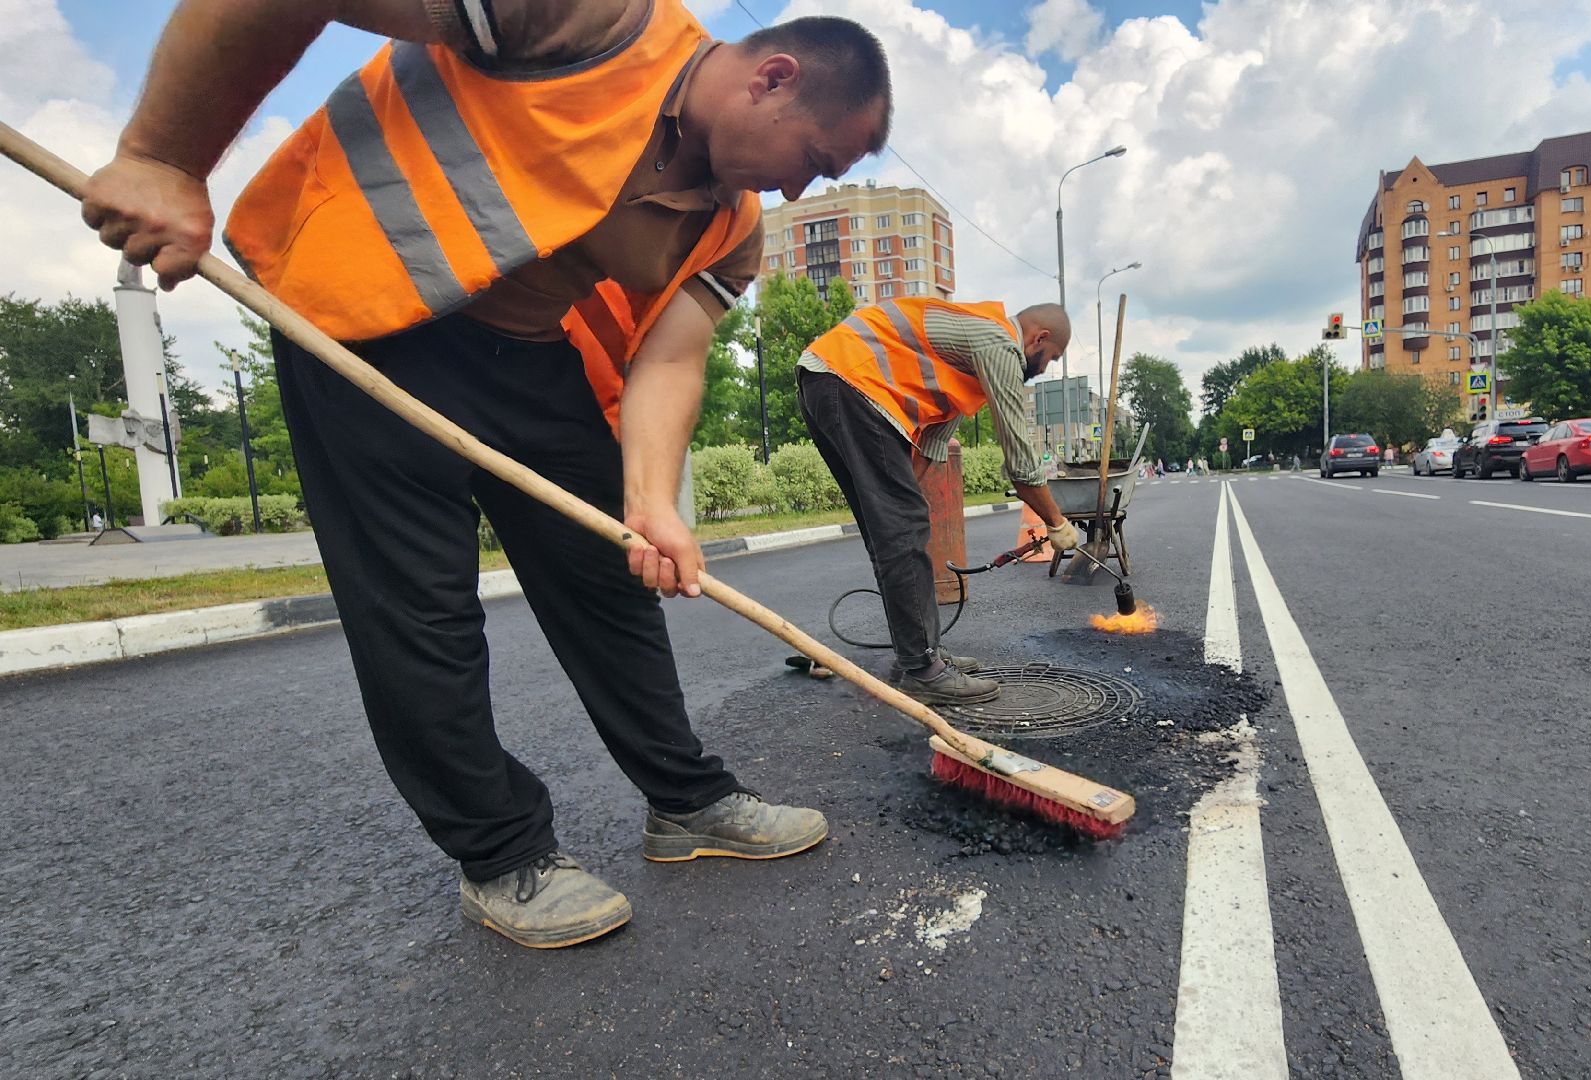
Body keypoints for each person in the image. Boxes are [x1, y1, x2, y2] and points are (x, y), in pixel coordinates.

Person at [79, 0, 892, 950]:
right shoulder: (597, 17)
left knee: (613, 577)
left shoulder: (732, 225)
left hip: (526, 353)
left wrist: (650, 507)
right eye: (816, 162)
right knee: (420, 607)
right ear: (774, 77)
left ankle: (686, 800)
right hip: (363, 318)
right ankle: (502, 855)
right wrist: (166, 158)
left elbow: (671, 357)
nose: (802, 192)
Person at [796, 299, 1078, 705]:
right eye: (1052, 358)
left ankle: (921, 655)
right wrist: (1056, 524)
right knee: (901, 529)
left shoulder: (968, 355)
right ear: (1040, 338)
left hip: (833, 381)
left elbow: (931, 444)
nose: (1046, 368)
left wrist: (903, 510)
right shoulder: (998, 344)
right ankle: (922, 669)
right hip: (852, 381)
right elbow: (1020, 460)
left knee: (897, 529)